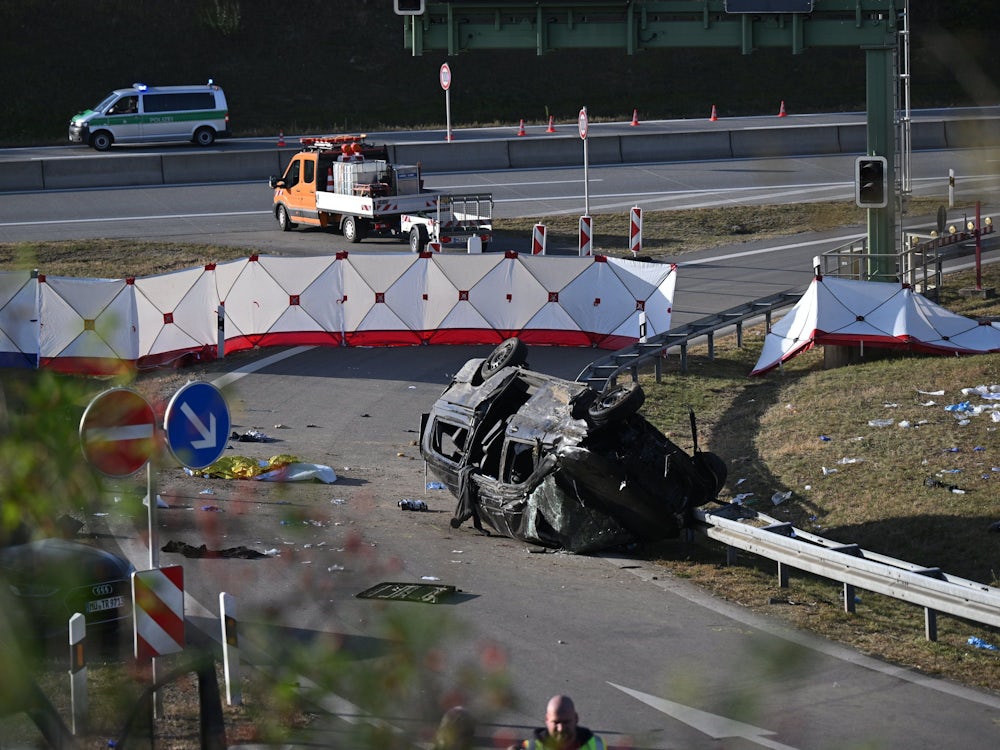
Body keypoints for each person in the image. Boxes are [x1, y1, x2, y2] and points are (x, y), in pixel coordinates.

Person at [508, 695, 605, 750]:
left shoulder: (597, 746)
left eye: (566, 722)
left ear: (576, 718)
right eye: (556, 722)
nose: (561, 728)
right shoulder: (531, 748)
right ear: (546, 720)